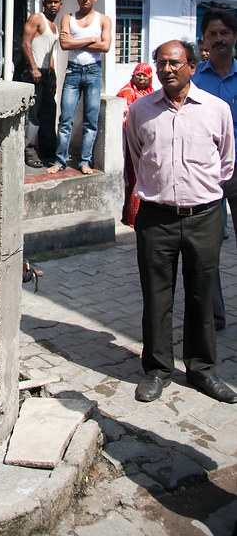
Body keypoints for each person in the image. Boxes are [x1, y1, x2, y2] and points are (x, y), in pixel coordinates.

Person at [126, 39, 237, 404]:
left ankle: (202, 370)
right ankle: (157, 369)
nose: (167, 69)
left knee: (201, 295)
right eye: (161, 63)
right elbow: (137, 157)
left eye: (175, 63)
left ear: (192, 66)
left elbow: (226, 163)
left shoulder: (216, 110)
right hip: (156, 218)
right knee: (156, 297)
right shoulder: (141, 111)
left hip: (204, 216)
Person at [194, 9, 237, 329]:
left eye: (225, 33)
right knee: (207, 248)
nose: (219, 39)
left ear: (234, 37)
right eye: (213, 34)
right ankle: (214, 315)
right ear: (205, 41)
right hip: (208, 175)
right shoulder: (195, 82)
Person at [46, 0, 112, 175]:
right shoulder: (68, 18)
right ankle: (60, 161)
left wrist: (76, 42)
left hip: (93, 71)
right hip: (73, 72)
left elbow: (106, 47)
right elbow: (65, 45)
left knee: (90, 120)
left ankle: (84, 161)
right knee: (65, 118)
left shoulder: (103, 20)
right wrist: (92, 39)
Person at [21, 0, 62, 167]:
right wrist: (33, 68)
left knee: (49, 111)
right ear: (44, 3)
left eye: (56, 2)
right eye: (50, 2)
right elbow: (25, 43)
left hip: (46, 73)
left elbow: (49, 52)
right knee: (33, 112)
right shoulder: (37, 18)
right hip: (33, 72)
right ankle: (28, 149)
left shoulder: (55, 26)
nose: (53, 5)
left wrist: (52, 74)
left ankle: (47, 150)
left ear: (60, 4)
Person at [116, 63, 154, 227]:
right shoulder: (127, 92)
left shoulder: (152, 94)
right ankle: (133, 217)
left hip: (148, 143)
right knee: (136, 179)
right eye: (138, 75)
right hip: (134, 142)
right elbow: (126, 116)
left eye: (145, 75)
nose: (141, 78)